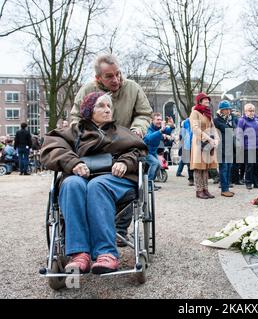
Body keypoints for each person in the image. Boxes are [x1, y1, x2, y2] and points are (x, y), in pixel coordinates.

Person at [41, 92, 147, 274]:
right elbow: (51, 148)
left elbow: (139, 151)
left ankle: (105, 253)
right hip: (81, 176)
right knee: (71, 185)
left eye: (109, 106)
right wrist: (73, 162)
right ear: (89, 111)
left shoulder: (121, 132)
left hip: (115, 179)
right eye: (101, 106)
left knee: (97, 186)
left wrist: (125, 161)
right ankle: (79, 254)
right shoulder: (73, 132)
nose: (107, 110)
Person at [70, 53, 152, 138]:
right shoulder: (87, 90)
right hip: (94, 145)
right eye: (109, 76)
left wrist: (137, 130)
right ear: (98, 78)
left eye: (117, 74)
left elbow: (144, 114)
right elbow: (76, 117)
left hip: (125, 143)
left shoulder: (133, 89)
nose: (116, 80)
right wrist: (82, 135)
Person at [189, 92, 219, 199]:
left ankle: (206, 189)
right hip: (198, 142)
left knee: (206, 167)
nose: (207, 101)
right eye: (205, 99)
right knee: (198, 167)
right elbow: (195, 128)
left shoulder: (208, 113)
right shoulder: (195, 113)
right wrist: (209, 138)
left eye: (208, 99)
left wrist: (216, 139)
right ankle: (199, 190)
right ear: (200, 101)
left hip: (208, 143)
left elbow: (213, 127)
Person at [236, 103, 258, 190]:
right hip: (248, 146)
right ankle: (248, 182)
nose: (252, 112)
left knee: (256, 165)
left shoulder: (256, 120)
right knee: (249, 165)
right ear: (245, 111)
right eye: (250, 111)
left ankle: (256, 182)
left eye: (253, 111)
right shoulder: (242, 120)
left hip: (257, 146)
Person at [143, 113, 175, 191]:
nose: (159, 121)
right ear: (152, 120)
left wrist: (172, 125)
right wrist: (161, 131)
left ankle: (151, 183)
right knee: (155, 163)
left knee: (158, 165)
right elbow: (150, 138)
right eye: (157, 120)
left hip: (153, 152)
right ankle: (148, 185)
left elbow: (168, 130)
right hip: (145, 151)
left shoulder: (159, 128)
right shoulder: (148, 128)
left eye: (160, 120)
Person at [213, 100, 235, 197]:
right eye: (226, 109)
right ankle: (224, 189)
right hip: (221, 147)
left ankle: (227, 188)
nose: (228, 111)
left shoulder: (229, 119)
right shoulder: (216, 120)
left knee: (229, 167)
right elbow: (228, 130)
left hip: (229, 147)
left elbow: (234, 128)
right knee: (224, 168)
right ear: (221, 110)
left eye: (229, 109)